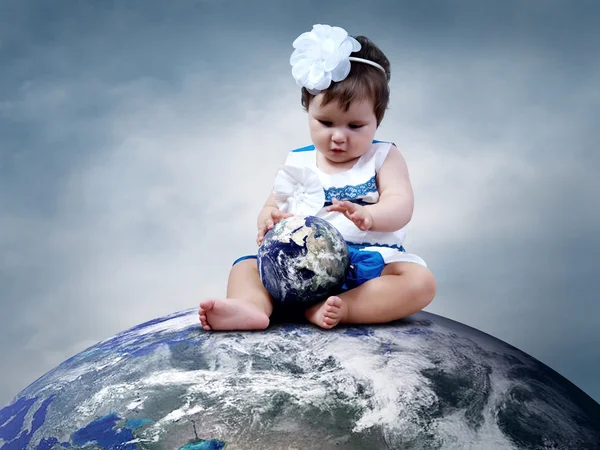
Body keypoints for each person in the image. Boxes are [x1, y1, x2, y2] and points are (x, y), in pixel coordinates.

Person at [199, 24, 436, 331]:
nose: (339, 137)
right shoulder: (299, 161)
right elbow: (274, 204)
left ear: (377, 120)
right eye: (326, 122)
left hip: (361, 267)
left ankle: (345, 307)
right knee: (245, 267)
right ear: (307, 110)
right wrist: (267, 218)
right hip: (298, 261)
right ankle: (251, 307)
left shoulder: (383, 157)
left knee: (420, 282)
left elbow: (401, 204)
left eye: (355, 126)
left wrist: (371, 215)